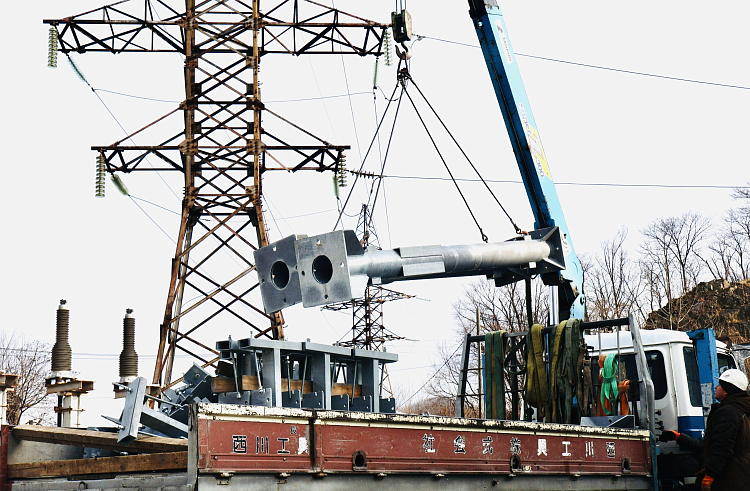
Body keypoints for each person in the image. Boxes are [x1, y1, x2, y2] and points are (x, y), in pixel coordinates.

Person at [660, 368, 750, 491]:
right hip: (741, 476)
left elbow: (722, 449)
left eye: (720, 385)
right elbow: (710, 445)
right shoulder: (741, 410)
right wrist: (678, 437)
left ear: (727, 391)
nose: (716, 387)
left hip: (730, 478)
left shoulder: (728, 413)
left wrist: (710, 475)